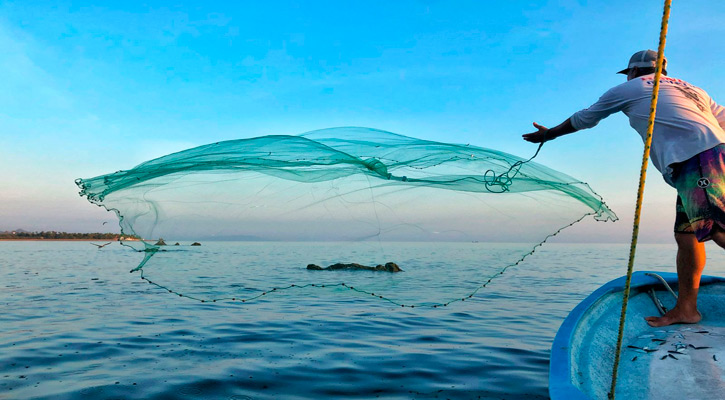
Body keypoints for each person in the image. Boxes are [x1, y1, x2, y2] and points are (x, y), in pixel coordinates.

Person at [522, 50, 725, 327]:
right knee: (687, 235)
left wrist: (549, 133)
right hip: (703, 159)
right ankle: (687, 309)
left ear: (633, 71)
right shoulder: (693, 89)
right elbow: (722, 120)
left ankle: (687, 308)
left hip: (697, 157)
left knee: (715, 227)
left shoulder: (630, 87)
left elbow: (585, 118)